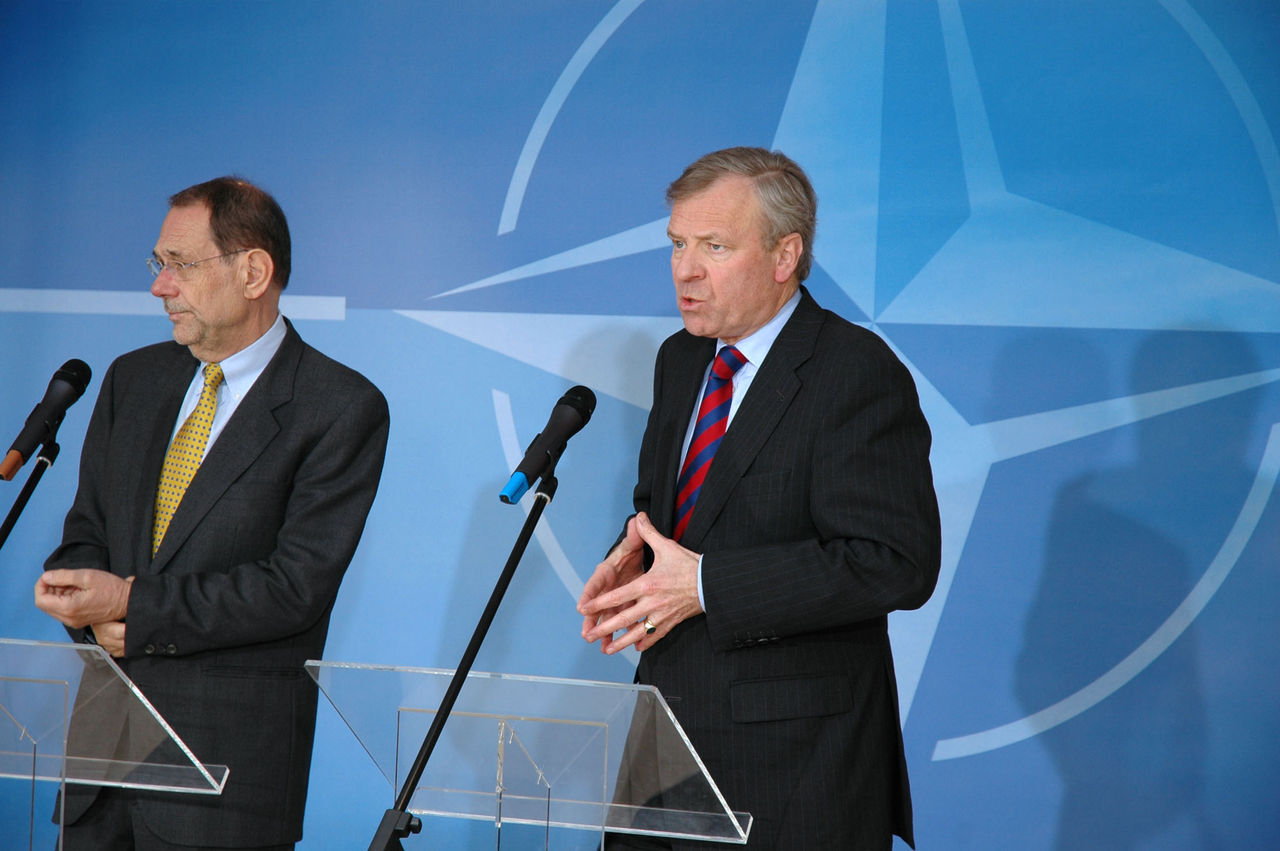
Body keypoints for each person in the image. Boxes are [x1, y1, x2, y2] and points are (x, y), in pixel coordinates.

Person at [578, 148, 941, 850]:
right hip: (664, 741)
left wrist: (705, 585)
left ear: (785, 256)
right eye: (677, 244)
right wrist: (635, 563)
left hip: (796, 767)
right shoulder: (681, 359)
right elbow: (676, 514)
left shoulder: (853, 371)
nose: (686, 270)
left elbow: (895, 562)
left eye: (714, 247)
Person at [34, 176, 390, 850]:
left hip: (224, 788)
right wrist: (81, 598)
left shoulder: (339, 406)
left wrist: (133, 607)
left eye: (179, 264)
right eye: (157, 263)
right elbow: (86, 532)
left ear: (253, 272)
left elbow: (294, 588)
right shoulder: (132, 379)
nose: (159, 286)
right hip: (99, 775)